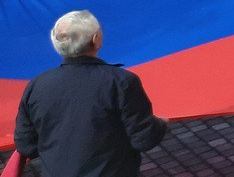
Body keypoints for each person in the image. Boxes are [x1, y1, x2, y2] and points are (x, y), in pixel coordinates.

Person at [13, 10, 168, 176]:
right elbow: (144, 139)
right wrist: (161, 124)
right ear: (96, 39)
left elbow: (26, 145)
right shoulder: (121, 82)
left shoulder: (37, 85)